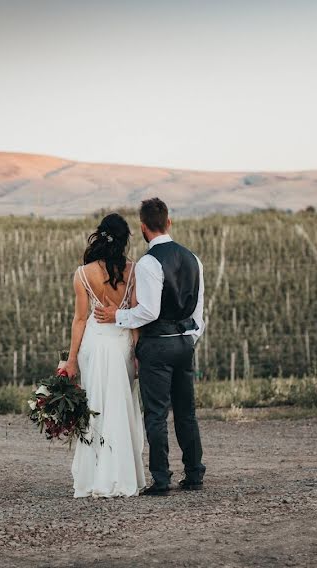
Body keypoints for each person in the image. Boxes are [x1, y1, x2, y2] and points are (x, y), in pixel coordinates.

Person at [94, 198, 206, 496]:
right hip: (185, 343)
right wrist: (191, 338)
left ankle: (161, 478)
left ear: (143, 227)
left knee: (155, 414)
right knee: (186, 412)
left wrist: (116, 315)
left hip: (157, 346)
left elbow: (149, 311)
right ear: (168, 222)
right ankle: (194, 474)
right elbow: (198, 310)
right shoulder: (193, 258)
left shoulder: (148, 263)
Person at [63, 213, 146, 498]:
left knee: (96, 405)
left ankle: (95, 476)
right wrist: (137, 353)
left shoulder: (83, 274)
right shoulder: (133, 271)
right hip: (121, 344)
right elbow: (134, 319)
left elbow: (80, 320)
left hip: (94, 345)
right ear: (124, 241)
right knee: (120, 406)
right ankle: (123, 475)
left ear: (100, 235)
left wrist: (72, 360)